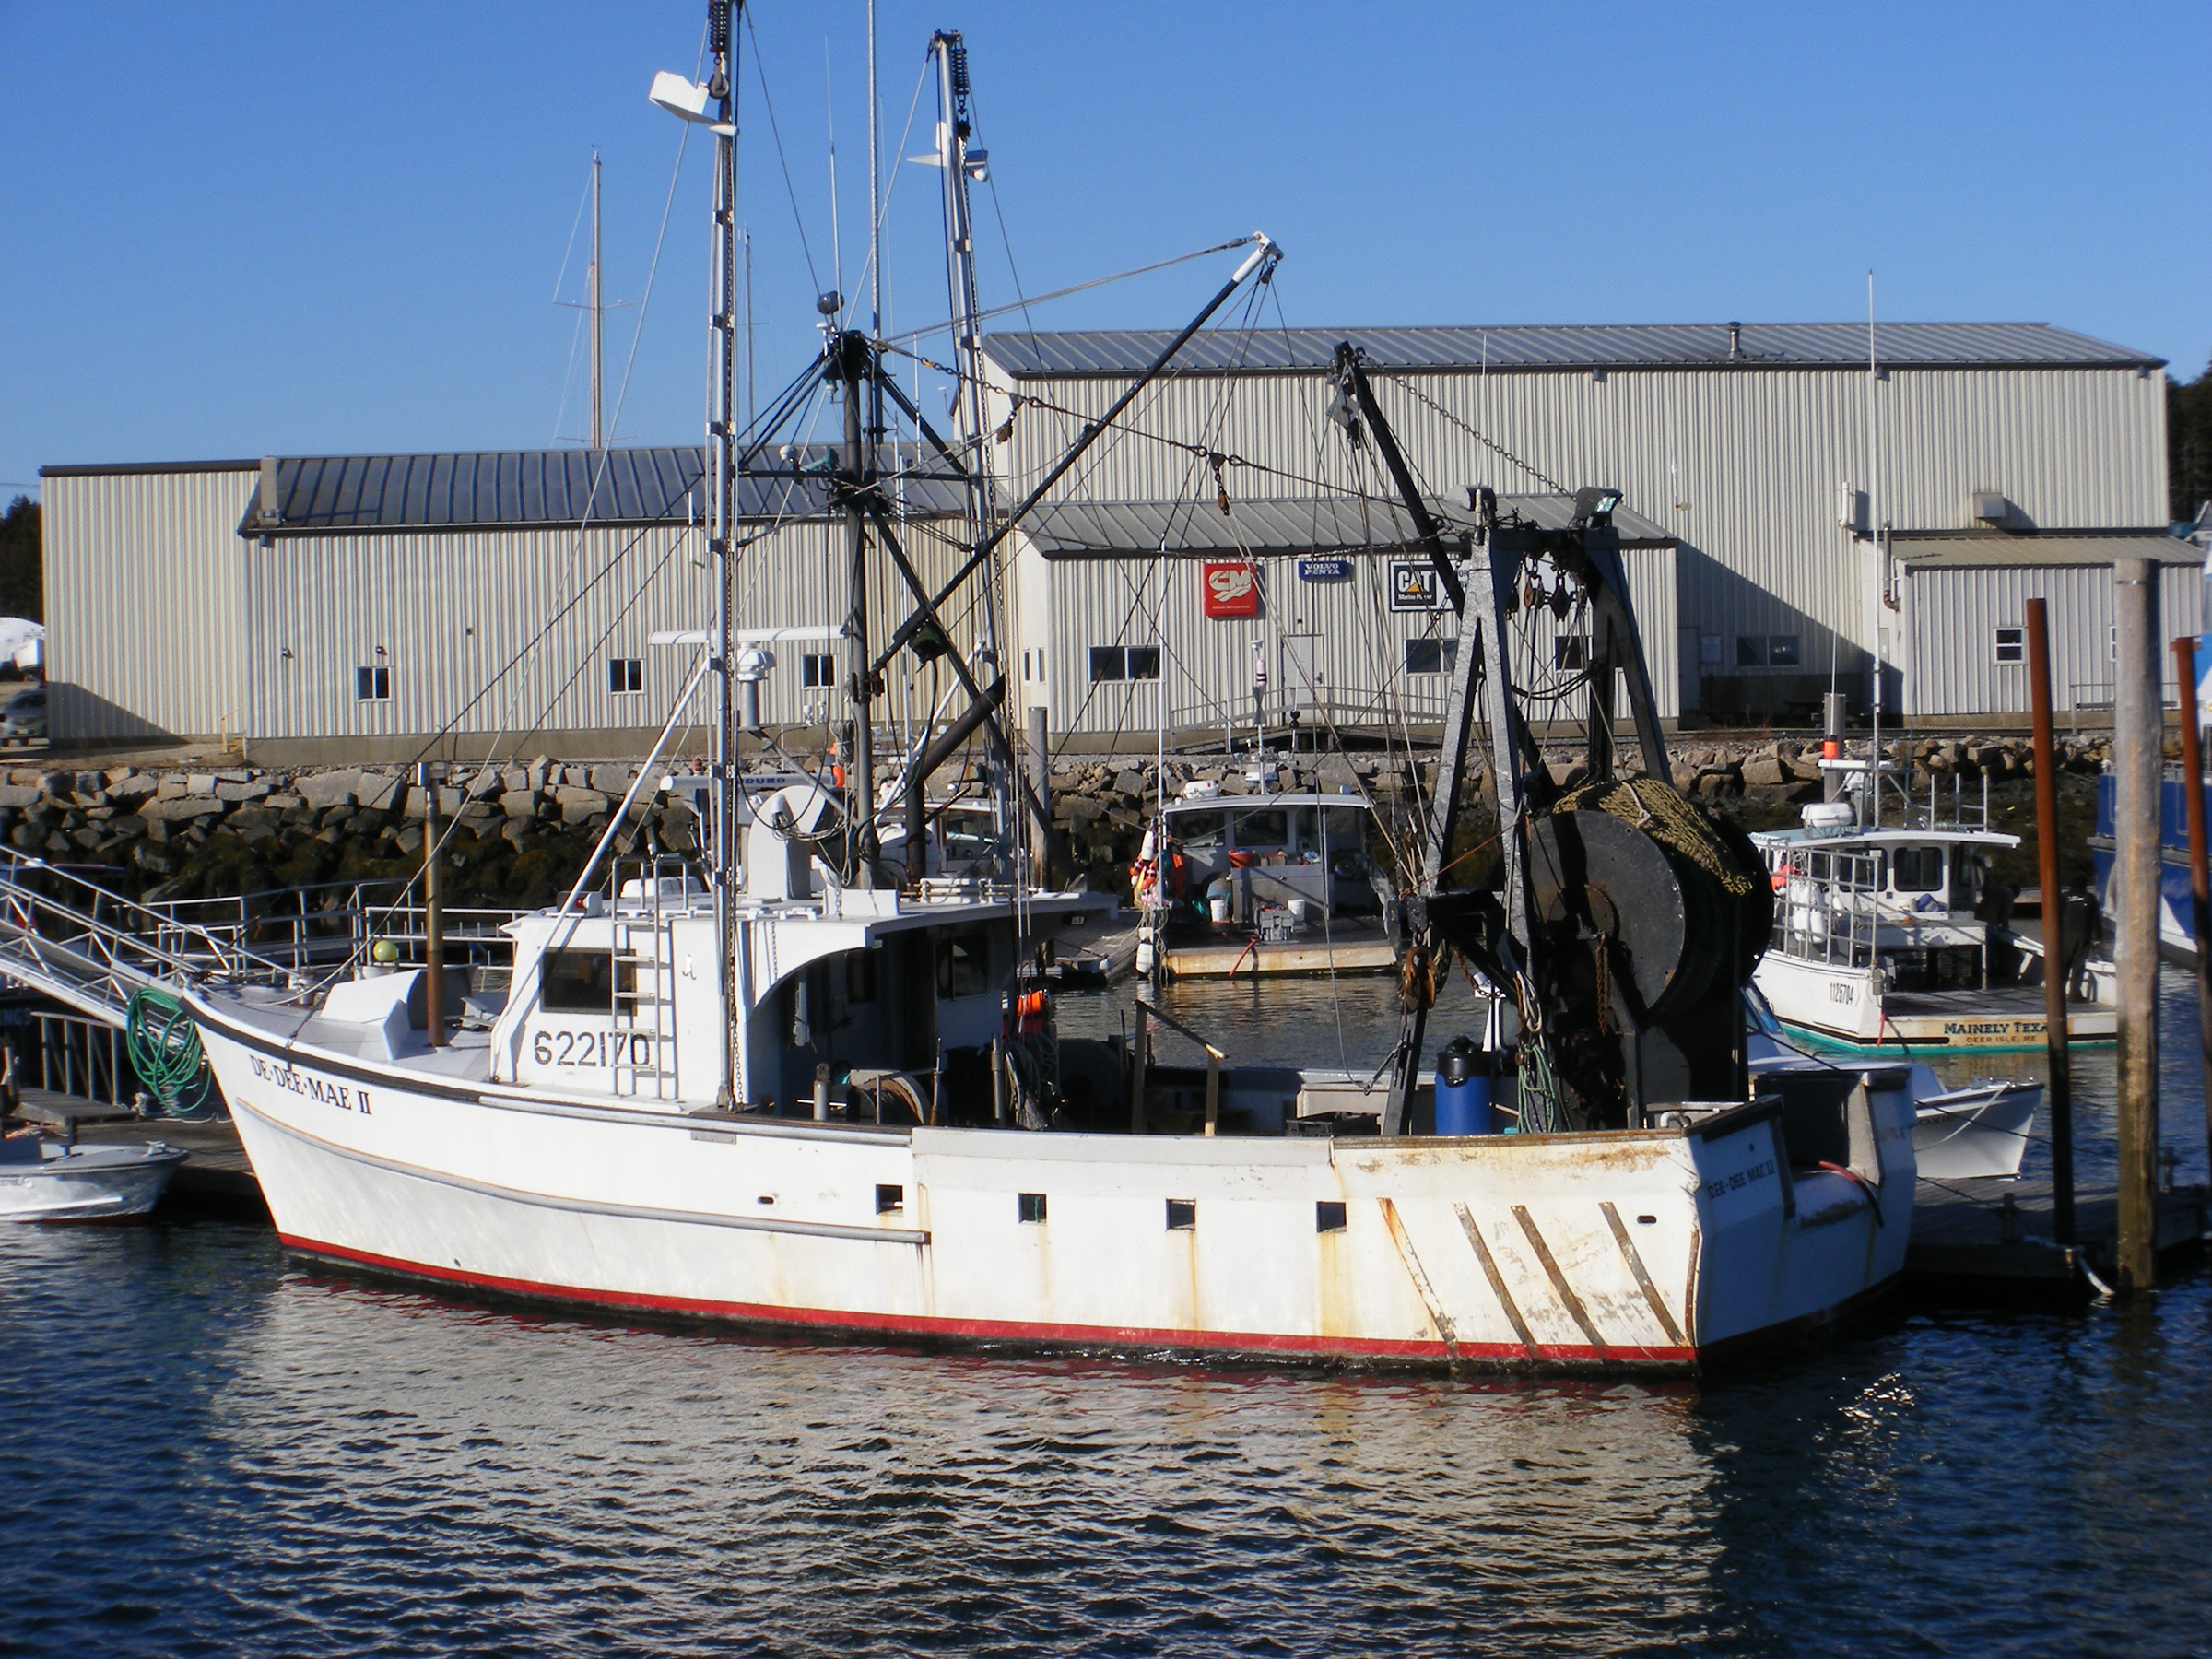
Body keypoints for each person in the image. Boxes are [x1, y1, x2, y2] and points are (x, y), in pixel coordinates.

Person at [2057, 879, 2102, 1002]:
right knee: (2078, 966)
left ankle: (2058, 994)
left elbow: (2057, 917)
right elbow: (2095, 919)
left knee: (2063, 966)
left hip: (2065, 938)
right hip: (2083, 937)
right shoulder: (2089, 898)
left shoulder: (2064, 897)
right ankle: (2074, 994)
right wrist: (2098, 937)